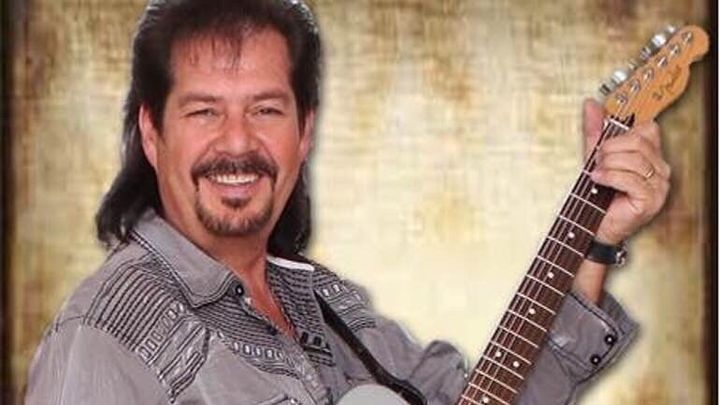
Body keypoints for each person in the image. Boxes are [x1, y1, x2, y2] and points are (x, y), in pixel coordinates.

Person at [25, 0, 671, 404]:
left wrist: (594, 238)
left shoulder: (327, 305)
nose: (238, 143)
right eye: (204, 112)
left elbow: (487, 397)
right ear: (152, 131)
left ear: (304, 131)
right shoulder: (104, 338)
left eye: (266, 109)